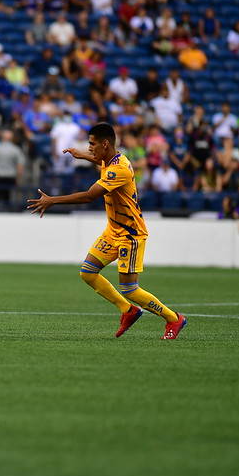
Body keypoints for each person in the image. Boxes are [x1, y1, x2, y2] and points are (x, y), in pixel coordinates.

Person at [27, 122, 188, 340]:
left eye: (92, 144)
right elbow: (99, 159)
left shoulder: (119, 169)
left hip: (130, 234)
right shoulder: (111, 159)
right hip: (113, 231)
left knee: (130, 289)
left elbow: (89, 195)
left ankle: (173, 318)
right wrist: (82, 155)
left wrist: (52, 200)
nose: (89, 147)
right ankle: (128, 310)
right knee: (88, 272)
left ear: (105, 144)